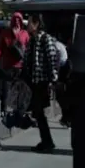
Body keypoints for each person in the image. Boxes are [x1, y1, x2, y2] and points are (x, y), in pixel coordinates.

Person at [23, 13, 58, 153]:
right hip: (33, 81)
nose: (27, 25)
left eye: (29, 22)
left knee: (39, 112)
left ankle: (47, 142)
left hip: (42, 82)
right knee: (38, 113)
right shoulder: (32, 40)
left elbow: (52, 60)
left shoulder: (45, 39)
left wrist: (53, 80)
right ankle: (46, 141)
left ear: (36, 24)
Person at [0, 12, 30, 118]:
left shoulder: (24, 33)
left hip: (20, 66)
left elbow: (28, 49)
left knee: (20, 90)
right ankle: (4, 110)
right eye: (15, 19)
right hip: (8, 66)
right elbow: (0, 48)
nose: (16, 21)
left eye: (19, 19)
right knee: (6, 89)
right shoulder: (5, 33)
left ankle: (18, 111)